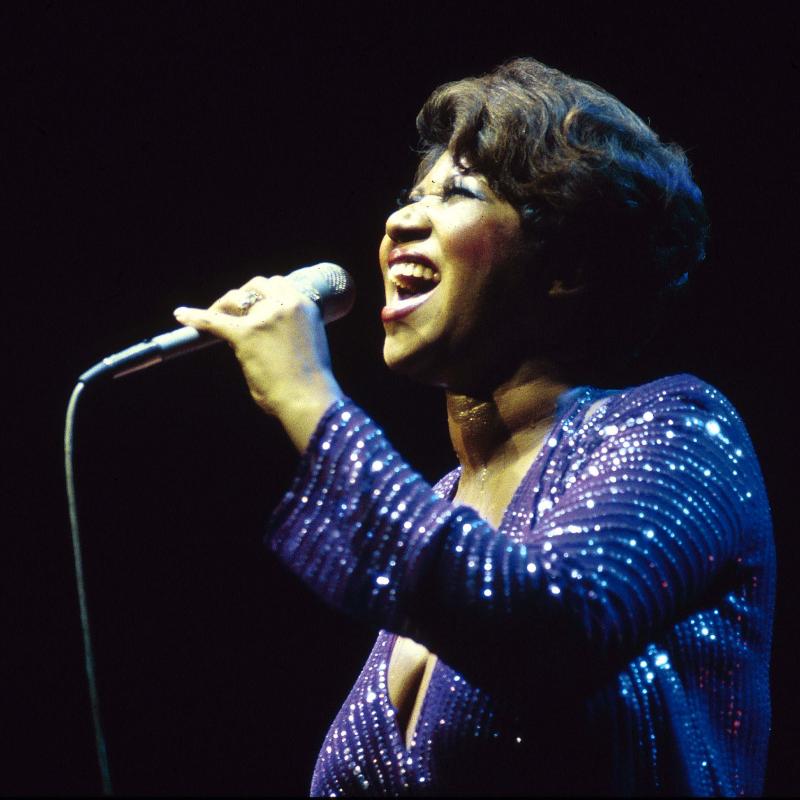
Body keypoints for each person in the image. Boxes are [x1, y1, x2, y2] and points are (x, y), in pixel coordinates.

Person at [173, 58, 774, 796]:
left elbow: (550, 626)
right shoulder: (439, 503)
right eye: (408, 196)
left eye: (457, 193)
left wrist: (307, 396)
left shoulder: (677, 430)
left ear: (569, 264)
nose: (399, 222)